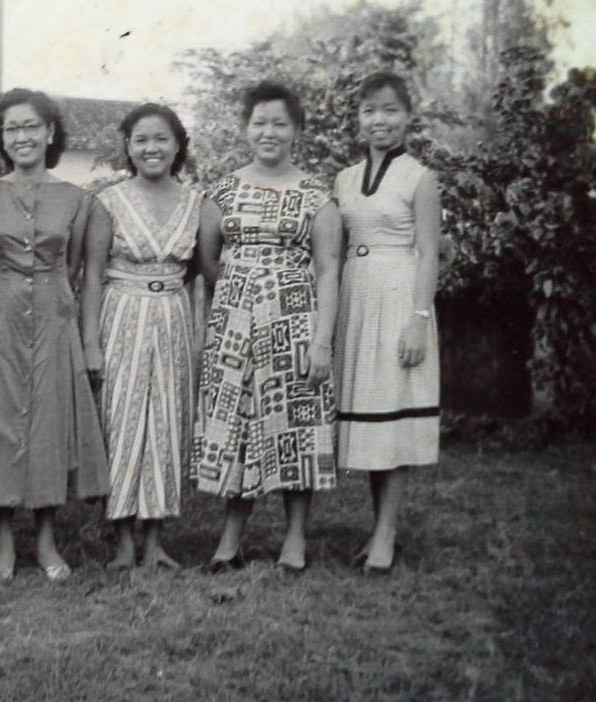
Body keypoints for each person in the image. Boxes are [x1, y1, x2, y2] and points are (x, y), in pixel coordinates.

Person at [0, 88, 109, 583]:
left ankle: (46, 541)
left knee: (49, 424)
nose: (21, 137)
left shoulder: (76, 199)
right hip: (0, 319)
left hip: (52, 317)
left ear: (49, 133)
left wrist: (61, 307)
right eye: (11, 128)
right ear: (1, 138)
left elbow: (75, 267)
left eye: (30, 126)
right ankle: (3, 542)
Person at [193, 81, 341, 574]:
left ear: (296, 130)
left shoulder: (317, 196)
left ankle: (294, 540)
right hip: (234, 326)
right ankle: (230, 540)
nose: (269, 132)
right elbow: (208, 261)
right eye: (259, 122)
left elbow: (328, 269)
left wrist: (321, 341)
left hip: (295, 322)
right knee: (236, 427)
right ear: (245, 128)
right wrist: (242, 295)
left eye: (280, 123)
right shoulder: (222, 191)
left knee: (296, 426)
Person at [81, 103, 220, 570]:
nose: (151, 148)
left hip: (174, 317)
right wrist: (90, 343)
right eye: (140, 139)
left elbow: (203, 268)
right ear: (128, 147)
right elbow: (92, 275)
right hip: (121, 313)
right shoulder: (108, 201)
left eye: (161, 138)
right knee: (120, 421)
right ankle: (123, 541)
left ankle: (156, 541)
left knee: (167, 420)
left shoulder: (197, 202)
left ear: (178, 145)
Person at [334, 71, 441, 574]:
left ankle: (386, 533)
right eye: (370, 111)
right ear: (358, 119)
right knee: (371, 419)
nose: (380, 120)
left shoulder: (420, 177)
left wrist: (418, 319)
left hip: (400, 299)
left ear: (408, 117)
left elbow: (429, 253)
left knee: (393, 417)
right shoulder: (344, 178)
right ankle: (378, 528)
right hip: (357, 297)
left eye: (390, 110)